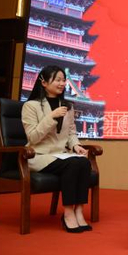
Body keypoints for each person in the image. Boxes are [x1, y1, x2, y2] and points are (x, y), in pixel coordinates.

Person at [21, 65, 92, 234]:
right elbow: (33, 137)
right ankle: (68, 213)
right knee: (72, 164)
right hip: (38, 155)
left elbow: (71, 133)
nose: (62, 84)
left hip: (60, 155)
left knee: (83, 162)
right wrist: (51, 116)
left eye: (63, 80)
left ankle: (79, 210)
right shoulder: (31, 106)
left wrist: (76, 145)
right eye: (57, 80)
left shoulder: (67, 106)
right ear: (44, 82)